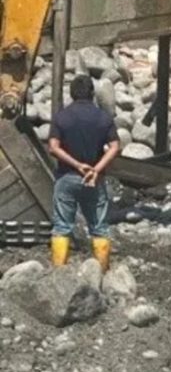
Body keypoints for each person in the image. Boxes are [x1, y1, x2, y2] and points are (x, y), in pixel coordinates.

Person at [46, 74, 121, 271]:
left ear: (71, 93)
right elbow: (114, 147)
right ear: (92, 93)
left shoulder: (62, 117)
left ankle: (58, 273)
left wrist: (78, 165)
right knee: (100, 229)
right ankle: (103, 272)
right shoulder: (103, 117)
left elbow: (53, 147)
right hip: (94, 179)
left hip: (67, 177)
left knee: (62, 227)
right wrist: (95, 169)